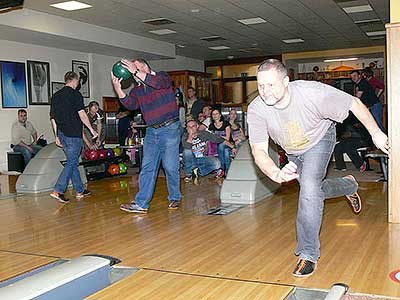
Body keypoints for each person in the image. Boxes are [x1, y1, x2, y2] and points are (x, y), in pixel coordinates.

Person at [248, 59, 388, 277]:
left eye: (271, 85)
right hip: (293, 150)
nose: (265, 92)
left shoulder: (312, 92)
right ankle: (347, 185)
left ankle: (308, 253)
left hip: (320, 138)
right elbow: (259, 151)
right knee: (313, 190)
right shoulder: (257, 109)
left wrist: (376, 133)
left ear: (286, 81)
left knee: (309, 189)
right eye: (261, 85)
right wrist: (275, 172)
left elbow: (355, 104)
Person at [111, 58, 181, 214]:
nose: (132, 73)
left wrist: (135, 71)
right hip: (151, 131)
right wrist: (118, 89)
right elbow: (131, 105)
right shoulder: (137, 90)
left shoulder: (162, 77)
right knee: (147, 167)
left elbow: (156, 83)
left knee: (170, 167)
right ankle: (141, 203)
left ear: (144, 68)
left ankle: (175, 196)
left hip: (170, 128)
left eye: (135, 69)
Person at [50, 71, 98, 203]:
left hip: (62, 133)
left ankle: (80, 190)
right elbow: (82, 114)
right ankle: (58, 190)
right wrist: (92, 131)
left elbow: (53, 118)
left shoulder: (56, 96)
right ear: (76, 81)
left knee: (73, 161)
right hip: (73, 134)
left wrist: (56, 136)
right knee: (71, 162)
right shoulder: (76, 94)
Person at [182, 120, 229, 184]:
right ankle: (189, 174)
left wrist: (233, 146)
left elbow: (218, 139)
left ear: (197, 126)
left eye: (193, 126)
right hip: (191, 160)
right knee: (187, 151)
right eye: (189, 127)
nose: (191, 128)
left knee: (217, 163)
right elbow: (187, 147)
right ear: (187, 128)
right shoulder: (185, 136)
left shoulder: (204, 133)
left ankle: (198, 173)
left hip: (203, 159)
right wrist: (190, 136)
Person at [209, 109, 237, 177]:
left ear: (220, 115)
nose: (215, 115)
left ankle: (222, 169)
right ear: (212, 116)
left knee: (222, 145)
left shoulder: (226, 124)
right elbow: (211, 138)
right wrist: (219, 137)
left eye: (216, 114)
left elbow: (227, 138)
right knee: (226, 152)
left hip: (228, 144)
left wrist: (217, 136)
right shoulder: (211, 126)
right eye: (213, 114)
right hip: (217, 145)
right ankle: (228, 171)